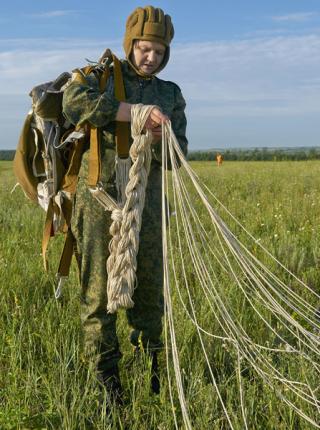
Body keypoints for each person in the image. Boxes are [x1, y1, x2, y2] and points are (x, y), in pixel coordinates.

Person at [62, 5, 188, 402]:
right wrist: (133, 113)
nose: (151, 57)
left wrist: (157, 138)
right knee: (99, 295)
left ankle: (152, 376)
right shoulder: (101, 78)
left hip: (147, 206)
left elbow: (178, 154)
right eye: (144, 49)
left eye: (159, 51)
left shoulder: (170, 94)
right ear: (130, 45)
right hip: (100, 201)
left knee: (149, 290)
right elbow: (72, 102)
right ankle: (107, 383)